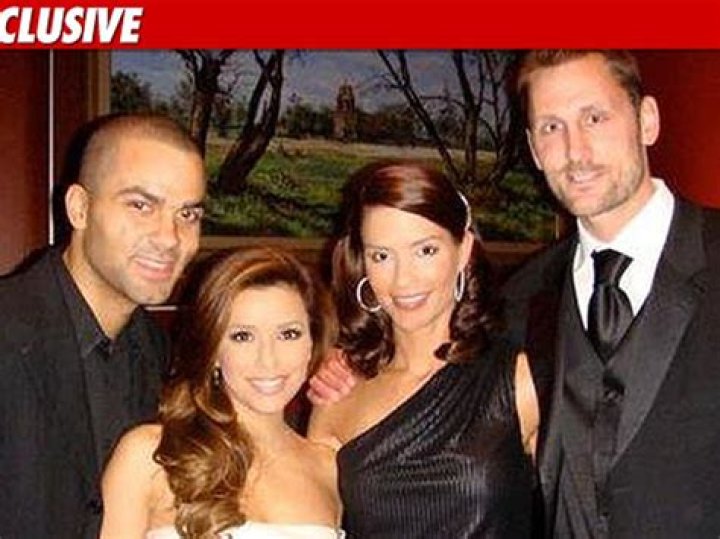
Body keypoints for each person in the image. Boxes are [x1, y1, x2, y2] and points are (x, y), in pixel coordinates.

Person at [502, 50, 720, 538]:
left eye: (594, 118)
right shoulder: (519, 299)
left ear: (647, 120)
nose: (575, 151)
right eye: (551, 127)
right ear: (534, 150)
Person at [0, 113, 206, 539]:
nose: (170, 237)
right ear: (80, 208)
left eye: (188, 213)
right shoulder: (8, 329)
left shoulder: (158, 351)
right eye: (141, 205)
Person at [308, 161, 540, 538]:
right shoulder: (338, 394)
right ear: (363, 263)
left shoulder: (519, 380)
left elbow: (589, 507)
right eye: (382, 256)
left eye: (426, 250)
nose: (403, 280)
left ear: (463, 250)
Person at [100, 248, 343, 539]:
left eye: (288, 334)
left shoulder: (329, 467)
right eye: (243, 336)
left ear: (312, 343)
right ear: (213, 349)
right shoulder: (150, 455)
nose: (268, 359)